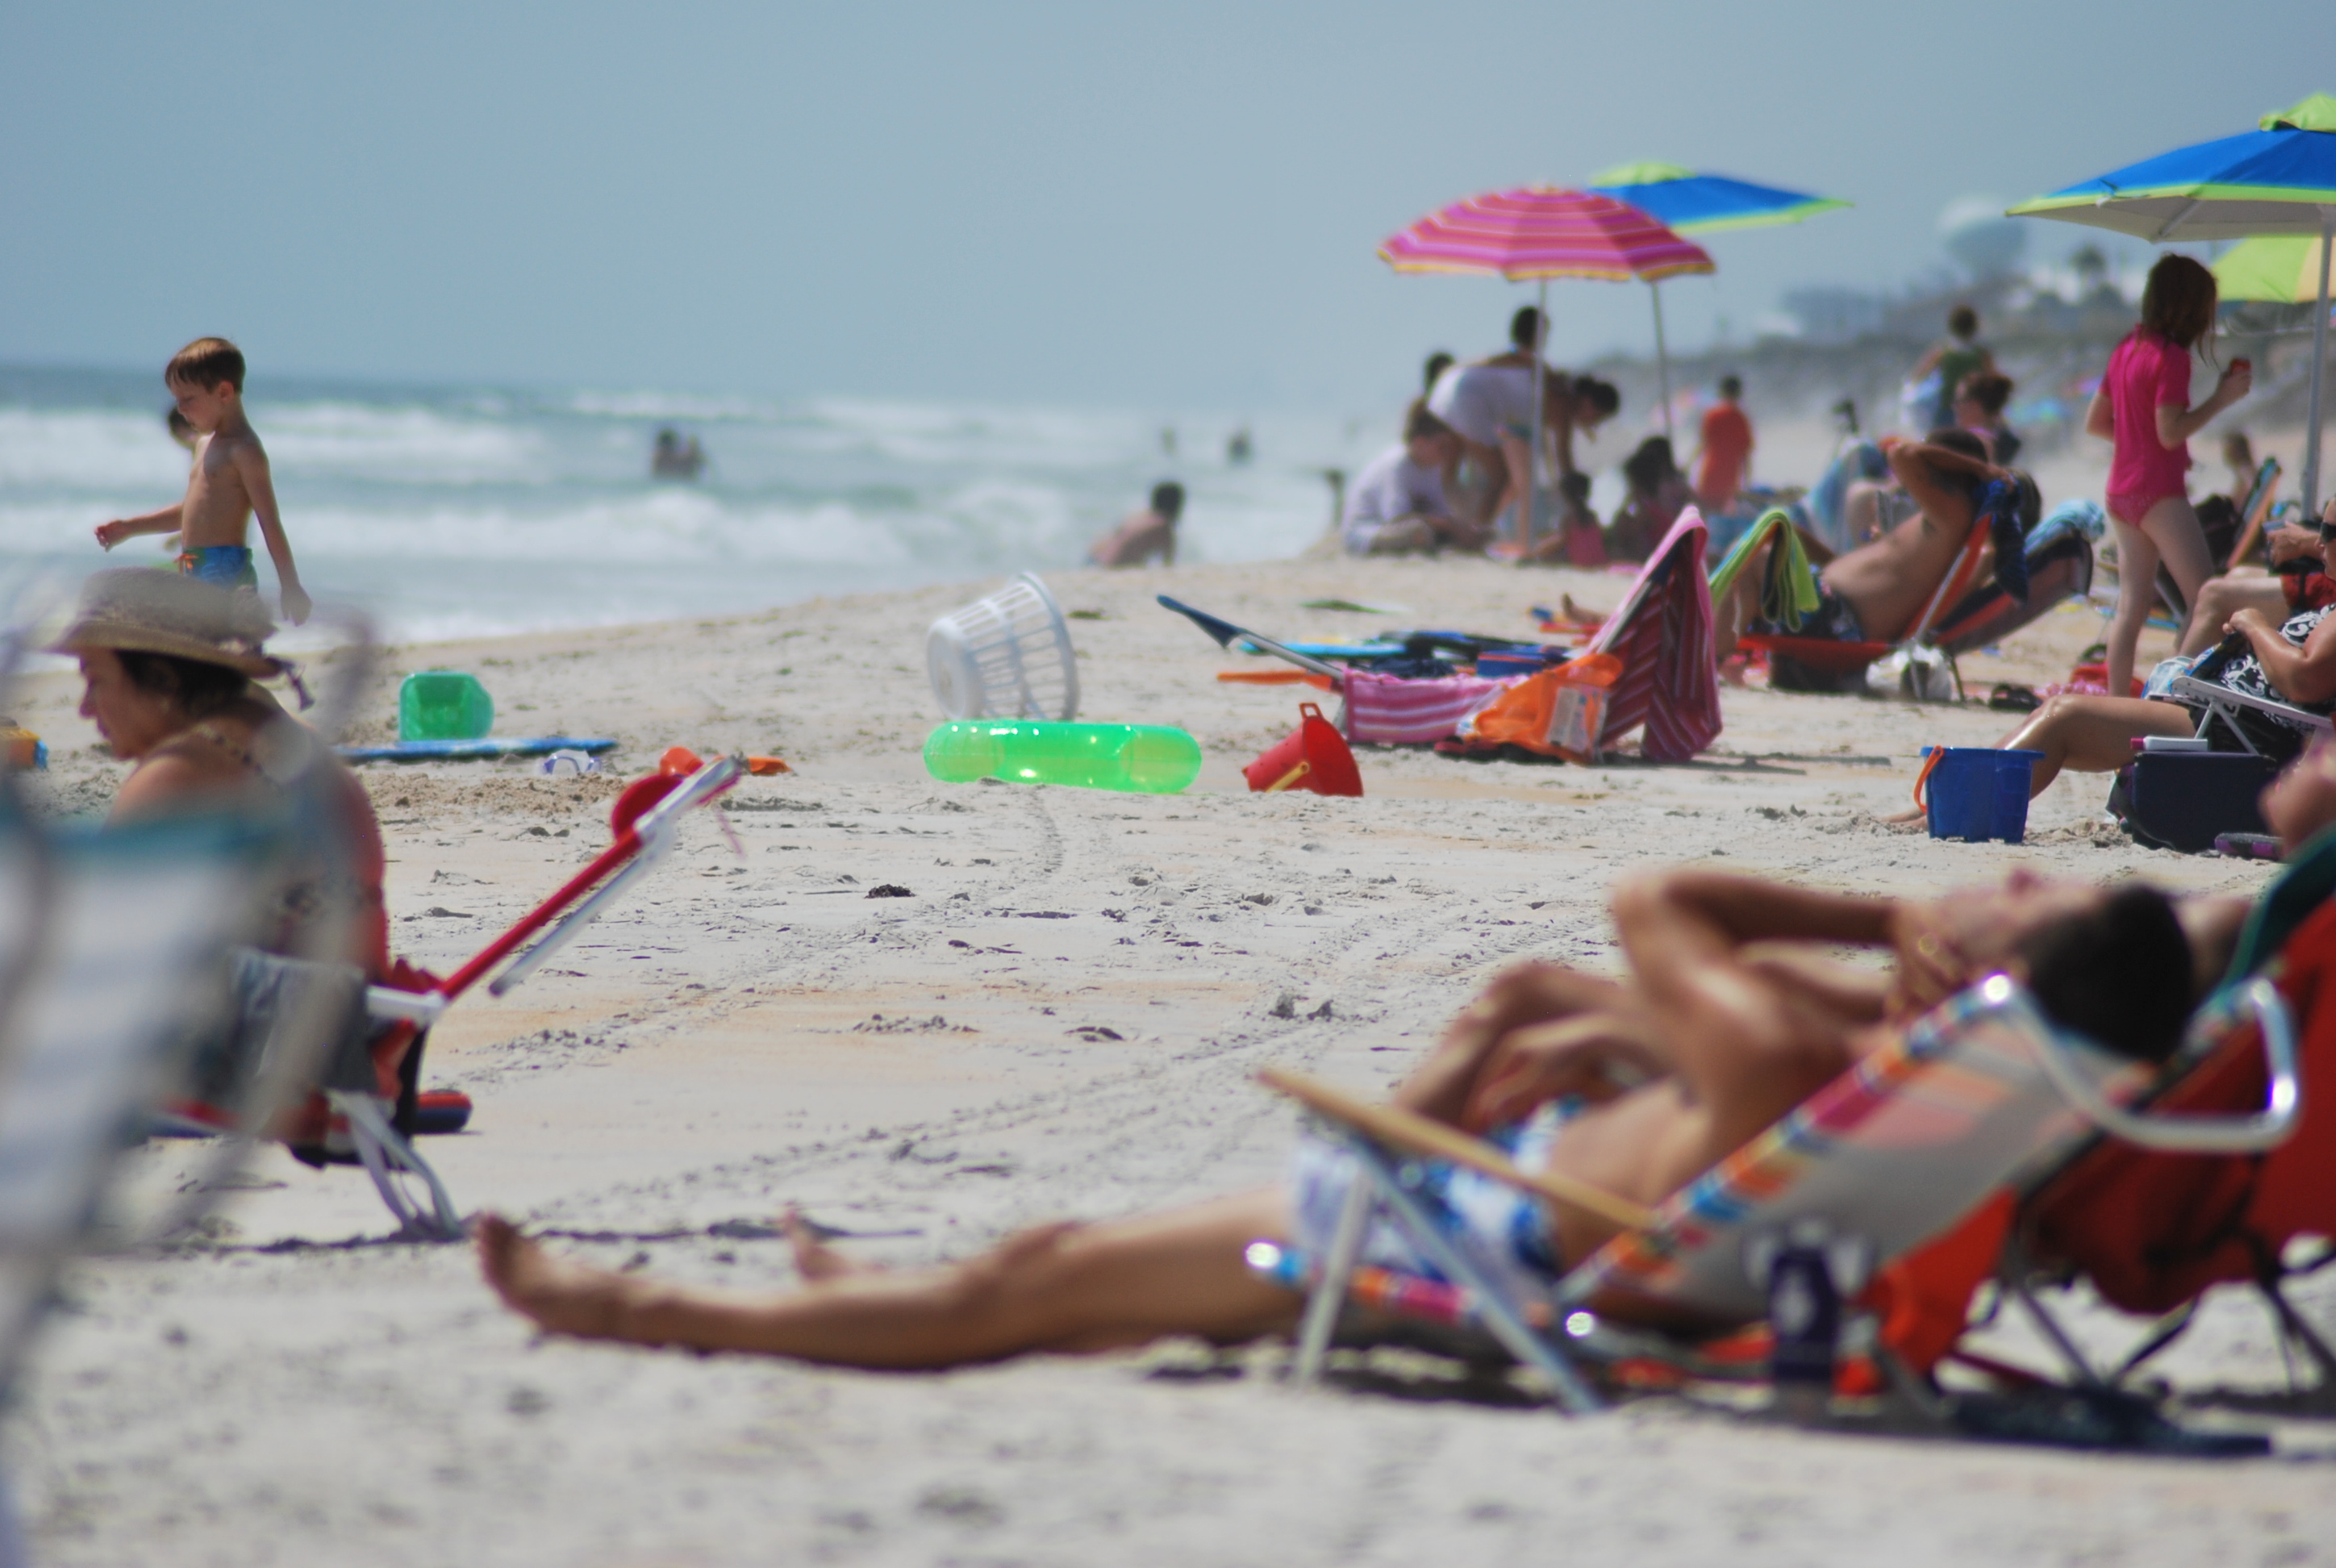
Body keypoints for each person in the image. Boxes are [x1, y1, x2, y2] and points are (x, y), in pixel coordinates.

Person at [475, 865, 2192, 1368]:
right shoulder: (1956, 1087)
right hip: (1550, 1221)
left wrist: (1862, 919)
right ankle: (839, 1299)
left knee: (1050, 1279)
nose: (1995, 869)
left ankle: (646, 1307)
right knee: (1085, 1275)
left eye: (2014, 887)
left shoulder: (1771, 1052)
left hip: (1464, 1241)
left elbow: (1657, 895)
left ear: (1978, 976)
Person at [52, 569, 387, 978]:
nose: (85, 708)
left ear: (162, 681)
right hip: (358, 1020)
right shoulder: (301, 742)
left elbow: (90, 947)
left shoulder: (178, 773)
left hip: (276, 1030)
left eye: (95, 680)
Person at [1996, 495, 2336, 797]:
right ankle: (1960, 785)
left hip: (2238, 728)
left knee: (2062, 718)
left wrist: (2255, 626)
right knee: (2056, 718)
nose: (2318, 544)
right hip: (2225, 715)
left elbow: (2304, 679)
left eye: (2330, 534)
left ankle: (1970, 798)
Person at [1717, 432, 2038, 657]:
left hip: (1836, 624)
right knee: (1775, 531)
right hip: (1830, 606)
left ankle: (1716, 655)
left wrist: (1983, 469)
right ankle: (1715, 640)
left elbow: (1902, 453)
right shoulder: (1952, 527)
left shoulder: (1955, 519)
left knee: (1754, 560)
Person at [2091, 254, 2254, 699]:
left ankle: (2116, 704)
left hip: (2120, 492)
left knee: (2130, 608)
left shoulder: (2127, 345)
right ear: (2191, 307)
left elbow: (2097, 421)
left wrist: (2140, 445)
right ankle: (2169, 693)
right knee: (2205, 599)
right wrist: (2222, 398)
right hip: (2158, 494)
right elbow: (2169, 432)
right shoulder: (2173, 357)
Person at [94, 339, 311, 624]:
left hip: (224, 569)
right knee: (192, 649)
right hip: (192, 563)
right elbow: (193, 511)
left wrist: (290, 585)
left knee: (219, 643)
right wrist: (131, 527)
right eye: (176, 400)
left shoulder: (244, 451)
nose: (181, 410)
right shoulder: (204, 444)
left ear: (223, 392)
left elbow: (269, 521)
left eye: (188, 399)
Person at [1428, 308, 1618, 532]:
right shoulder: (1560, 396)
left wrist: (1456, 369)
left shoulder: (1544, 378)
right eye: (1598, 417)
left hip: (1454, 388)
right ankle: (1476, 530)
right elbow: (1564, 464)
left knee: (1489, 476)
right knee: (1501, 478)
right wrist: (1579, 506)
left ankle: (1467, 524)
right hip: (1468, 396)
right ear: (1588, 402)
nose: (1595, 424)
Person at [1339, 406, 1483, 556]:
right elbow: (1397, 518)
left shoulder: (1434, 468)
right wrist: (1450, 527)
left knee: (1473, 531)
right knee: (1418, 531)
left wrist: (1462, 527)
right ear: (1420, 443)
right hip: (1370, 532)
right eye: (1442, 447)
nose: (1447, 453)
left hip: (1411, 527)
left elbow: (1441, 511)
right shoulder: (1396, 465)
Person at [1604, 436, 1692, 563]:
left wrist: (1626, 504)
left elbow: (1623, 534)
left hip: (1663, 558)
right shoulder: (1655, 505)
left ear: (1638, 485)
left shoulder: (1648, 511)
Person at [1913, 305, 1994, 433]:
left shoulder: (1942, 353)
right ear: (1975, 327)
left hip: (1948, 410)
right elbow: (1994, 383)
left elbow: (1918, 377)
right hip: (1976, 416)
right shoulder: (1982, 355)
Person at [1690, 374, 1753, 515]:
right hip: (1730, 479)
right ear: (1739, 393)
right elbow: (1746, 455)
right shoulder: (1741, 418)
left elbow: (1701, 446)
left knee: (1705, 519)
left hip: (1709, 475)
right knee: (1723, 520)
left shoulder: (1711, 415)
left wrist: (1689, 466)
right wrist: (1747, 484)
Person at [1089, 482, 1185, 568]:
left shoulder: (1140, 517)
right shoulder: (1163, 526)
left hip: (1095, 559)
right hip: (1114, 567)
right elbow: (1168, 562)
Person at [1954, 371, 2021, 467]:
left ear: (1975, 405)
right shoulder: (2006, 440)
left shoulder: (1972, 443)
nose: (1955, 407)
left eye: (1958, 401)